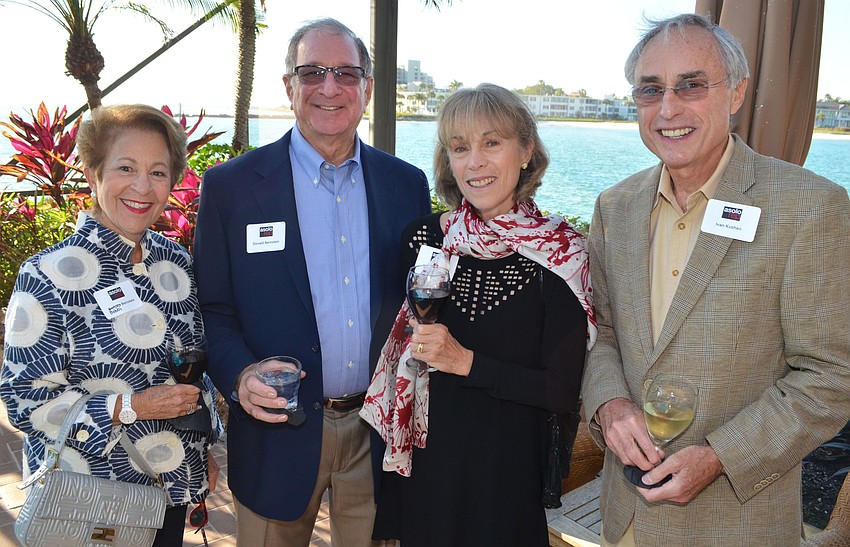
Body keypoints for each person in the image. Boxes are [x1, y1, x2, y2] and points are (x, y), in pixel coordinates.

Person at [581, 13, 850, 546]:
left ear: (736, 93)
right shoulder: (615, 207)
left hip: (736, 525)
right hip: (625, 522)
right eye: (651, 90)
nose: (669, 108)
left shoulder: (809, 207)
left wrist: (721, 456)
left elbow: (831, 376)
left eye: (691, 85)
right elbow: (601, 334)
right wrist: (609, 404)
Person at [193, 17, 431, 546]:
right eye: (312, 72)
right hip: (275, 433)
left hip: (376, 434)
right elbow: (211, 307)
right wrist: (239, 375)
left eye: (346, 73)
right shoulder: (231, 188)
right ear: (288, 86)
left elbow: (418, 300)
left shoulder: (404, 184)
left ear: (367, 88)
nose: (330, 87)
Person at [360, 83, 596, 546]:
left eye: (492, 142)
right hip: (424, 473)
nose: (475, 162)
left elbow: (562, 392)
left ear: (526, 150)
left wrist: (466, 362)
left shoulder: (561, 253)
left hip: (504, 483)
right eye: (460, 147)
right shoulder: (424, 239)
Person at [0, 104, 222, 546]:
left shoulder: (176, 263)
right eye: (125, 167)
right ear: (93, 171)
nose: (142, 187)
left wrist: (202, 446)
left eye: (158, 172)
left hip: (170, 493)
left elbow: (193, 365)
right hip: (91, 501)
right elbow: (24, 400)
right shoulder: (47, 274)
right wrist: (129, 407)